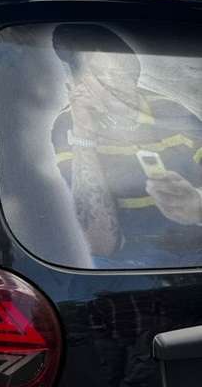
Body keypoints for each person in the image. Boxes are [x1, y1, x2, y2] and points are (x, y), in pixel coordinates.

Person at [51, 23, 202, 267]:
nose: (118, 82)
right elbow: (100, 243)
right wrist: (84, 131)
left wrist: (197, 203)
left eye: (124, 69)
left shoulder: (172, 111)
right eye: (102, 75)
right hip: (130, 262)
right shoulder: (69, 123)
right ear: (80, 84)